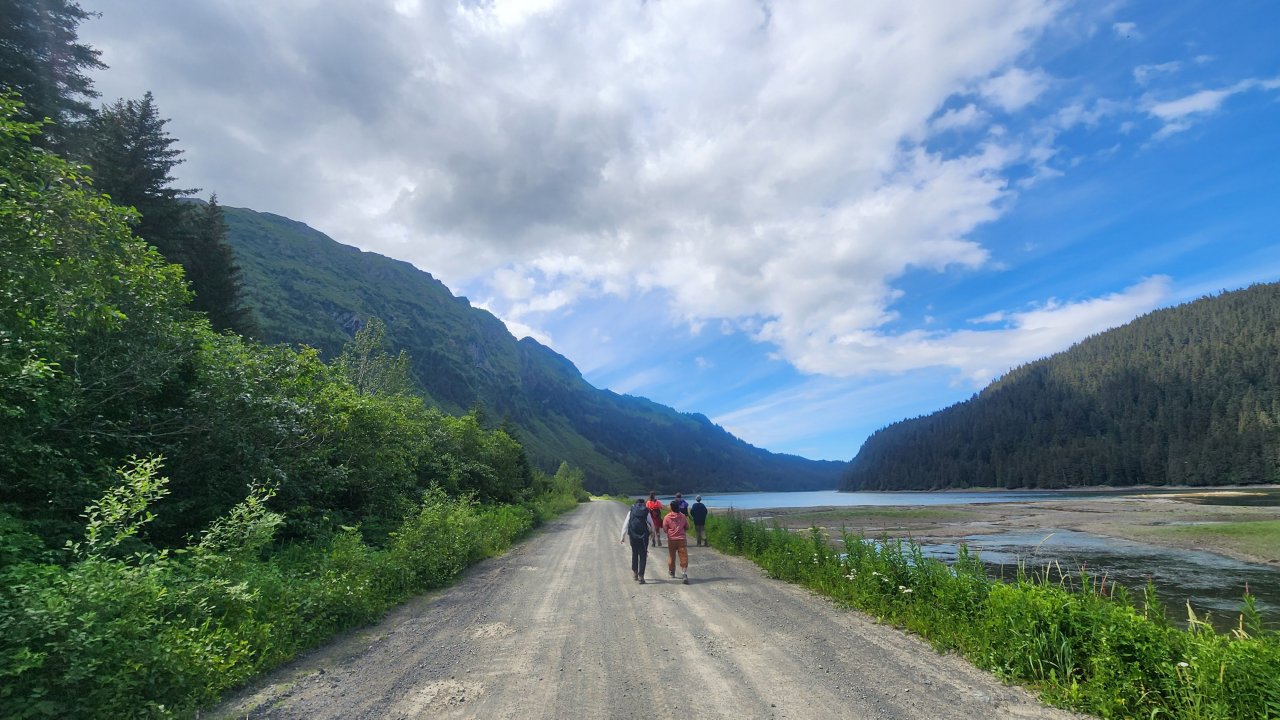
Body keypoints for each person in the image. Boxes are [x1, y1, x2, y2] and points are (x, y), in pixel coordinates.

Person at [620, 497, 655, 583]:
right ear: (643, 504)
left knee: (634, 553)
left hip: (633, 536)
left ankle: (635, 573)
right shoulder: (646, 511)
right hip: (643, 537)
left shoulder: (631, 510)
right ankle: (641, 576)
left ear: (635, 504)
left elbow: (626, 523)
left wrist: (622, 536)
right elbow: (651, 523)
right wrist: (653, 533)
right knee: (643, 555)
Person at [663, 500, 690, 584]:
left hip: (672, 539)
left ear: (671, 507)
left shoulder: (667, 517)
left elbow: (665, 529)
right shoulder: (682, 516)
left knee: (672, 556)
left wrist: (670, 531)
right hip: (681, 539)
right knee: (683, 556)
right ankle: (684, 573)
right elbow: (687, 527)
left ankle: (672, 571)